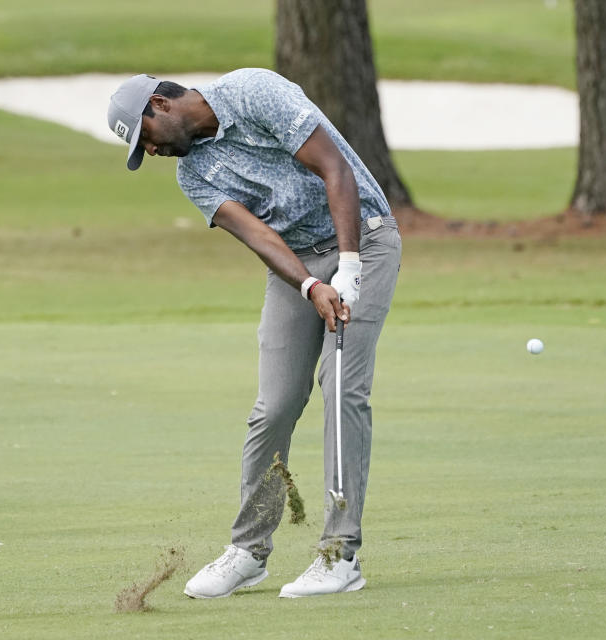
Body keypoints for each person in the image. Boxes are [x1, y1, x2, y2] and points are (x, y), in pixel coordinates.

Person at [107, 68, 401, 598]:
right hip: (296, 264)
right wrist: (312, 284)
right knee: (276, 406)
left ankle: (340, 556)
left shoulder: (253, 92)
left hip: (365, 240)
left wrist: (350, 268)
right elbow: (259, 236)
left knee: (341, 389)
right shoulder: (192, 175)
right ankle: (248, 551)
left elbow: (335, 167)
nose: (148, 151)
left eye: (144, 138)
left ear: (160, 105)